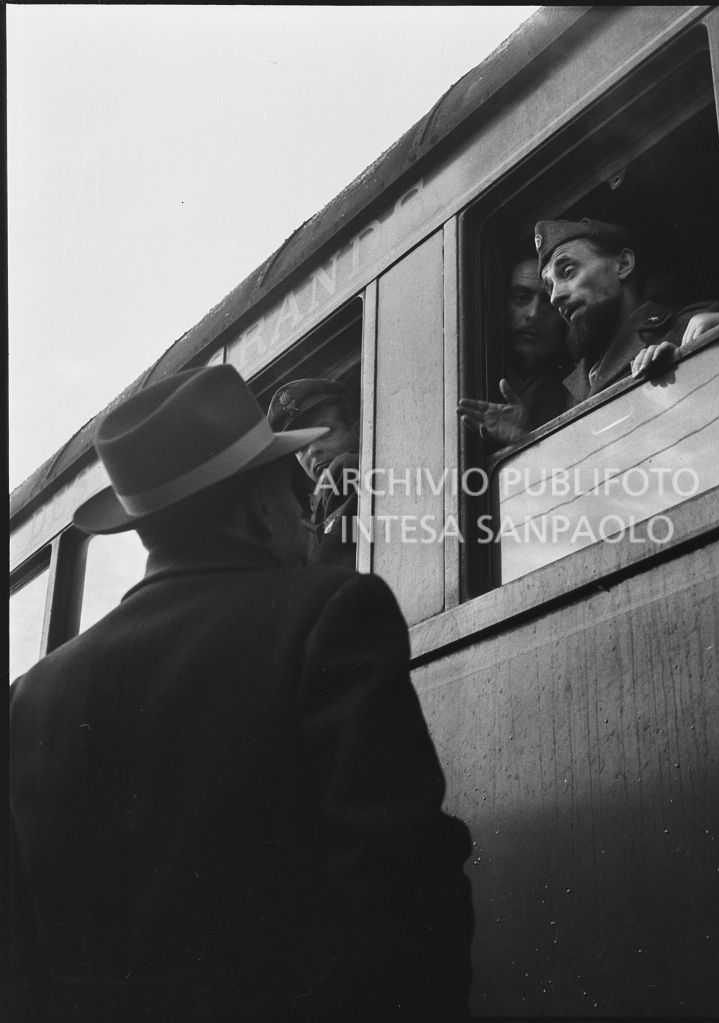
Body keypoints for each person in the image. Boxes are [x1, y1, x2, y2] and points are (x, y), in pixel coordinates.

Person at [9, 365, 474, 1020]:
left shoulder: (30, 697)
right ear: (260, 504)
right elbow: (405, 883)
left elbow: (19, 948)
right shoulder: (332, 613)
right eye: (293, 486)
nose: (305, 508)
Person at [535, 217, 719, 404]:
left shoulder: (690, 327)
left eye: (568, 272)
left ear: (623, 265)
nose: (554, 297)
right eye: (550, 287)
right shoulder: (577, 386)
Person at [457, 251, 572, 447]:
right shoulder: (473, 381)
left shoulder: (576, 390)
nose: (533, 314)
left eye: (548, 301)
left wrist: (525, 438)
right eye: (521, 297)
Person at [268, 375, 361, 567]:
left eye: (324, 432)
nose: (312, 451)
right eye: (300, 446)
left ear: (356, 429)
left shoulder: (350, 469)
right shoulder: (304, 520)